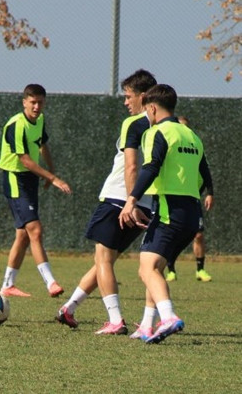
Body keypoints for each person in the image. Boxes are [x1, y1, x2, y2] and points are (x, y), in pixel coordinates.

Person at [56, 69, 156, 334]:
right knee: (105, 261)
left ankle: (115, 320)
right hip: (146, 204)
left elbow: (131, 167)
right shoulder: (166, 127)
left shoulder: (134, 124)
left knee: (102, 259)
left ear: (144, 97)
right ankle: (69, 308)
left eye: (128, 96)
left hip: (119, 199)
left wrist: (129, 202)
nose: (125, 102)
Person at [119, 84, 213, 343]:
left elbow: (150, 168)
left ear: (151, 107)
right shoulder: (191, 135)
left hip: (169, 209)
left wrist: (131, 200)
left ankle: (169, 317)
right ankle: (147, 326)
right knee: (155, 268)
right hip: (191, 213)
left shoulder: (156, 132)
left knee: (146, 268)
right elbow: (205, 176)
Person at [0, 84, 71, 298]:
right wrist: (52, 178)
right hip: (14, 178)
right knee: (35, 230)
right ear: (24, 102)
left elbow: (42, 144)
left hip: (30, 180)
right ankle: (51, 283)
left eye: (40, 102)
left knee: (23, 235)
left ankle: (7, 285)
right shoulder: (16, 125)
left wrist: (51, 169)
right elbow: (25, 160)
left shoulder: (40, 120)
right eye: (33, 102)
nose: (37, 106)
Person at [165, 116, 214, 282]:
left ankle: (200, 270)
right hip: (173, 199)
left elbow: (205, 170)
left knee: (198, 234)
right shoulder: (172, 149)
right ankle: (170, 268)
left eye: (186, 127)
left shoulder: (194, 146)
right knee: (172, 235)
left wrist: (210, 192)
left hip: (193, 198)